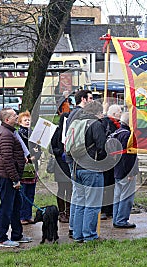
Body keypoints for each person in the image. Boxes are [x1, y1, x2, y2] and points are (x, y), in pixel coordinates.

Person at [0, 108, 31, 247]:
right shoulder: (6, 134)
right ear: (7, 119)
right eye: (15, 115)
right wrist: (15, 179)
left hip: (9, 174)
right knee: (6, 207)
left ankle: (17, 234)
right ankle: (1, 238)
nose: (17, 117)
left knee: (16, 205)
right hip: (6, 175)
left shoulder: (9, 131)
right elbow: (7, 159)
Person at [70, 101, 107, 242]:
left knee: (80, 203)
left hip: (76, 167)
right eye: (101, 112)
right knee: (92, 203)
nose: (103, 115)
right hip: (92, 168)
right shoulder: (96, 124)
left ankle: (77, 234)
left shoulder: (77, 122)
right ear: (97, 112)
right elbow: (102, 148)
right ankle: (90, 235)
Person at [65, 89, 93, 238]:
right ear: (83, 99)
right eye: (90, 98)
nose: (92, 101)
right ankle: (75, 227)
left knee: (78, 195)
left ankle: (74, 227)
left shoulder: (73, 113)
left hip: (74, 158)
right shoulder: (78, 114)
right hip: (78, 159)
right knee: (79, 196)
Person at [112, 112, 138, 228]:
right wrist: (130, 172)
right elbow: (128, 156)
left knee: (117, 196)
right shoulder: (128, 135)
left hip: (117, 169)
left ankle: (116, 218)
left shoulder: (116, 133)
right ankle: (122, 220)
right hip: (126, 171)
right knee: (126, 197)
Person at [100, 104, 122, 220]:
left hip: (114, 160)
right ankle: (104, 209)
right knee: (105, 184)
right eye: (120, 112)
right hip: (106, 159)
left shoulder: (117, 125)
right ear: (114, 114)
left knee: (112, 184)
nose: (121, 114)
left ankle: (110, 208)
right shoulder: (106, 123)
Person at [17, 111, 39, 225]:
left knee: (31, 192)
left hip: (33, 166)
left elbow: (38, 147)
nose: (27, 122)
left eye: (29, 120)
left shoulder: (34, 133)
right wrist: (28, 157)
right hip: (23, 165)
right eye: (25, 120)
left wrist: (37, 155)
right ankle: (21, 216)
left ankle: (28, 215)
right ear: (20, 122)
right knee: (23, 192)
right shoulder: (18, 134)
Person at [51, 113, 72, 223]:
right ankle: (61, 212)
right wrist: (60, 152)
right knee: (61, 189)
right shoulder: (57, 132)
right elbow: (51, 148)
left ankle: (69, 211)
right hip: (60, 164)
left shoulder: (72, 131)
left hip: (69, 164)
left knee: (70, 189)